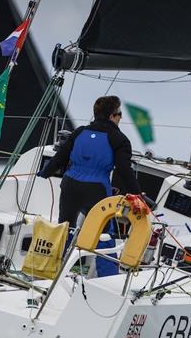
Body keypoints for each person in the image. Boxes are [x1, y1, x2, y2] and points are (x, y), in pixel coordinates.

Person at [38, 96, 141, 277]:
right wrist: (137, 193)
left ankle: (54, 272)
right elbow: (123, 168)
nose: (121, 118)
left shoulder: (79, 132)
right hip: (96, 190)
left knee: (65, 227)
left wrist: (44, 173)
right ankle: (107, 279)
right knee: (104, 234)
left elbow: (60, 157)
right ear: (112, 116)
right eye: (119, 114)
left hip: (70, 185)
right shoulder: (119, 139)